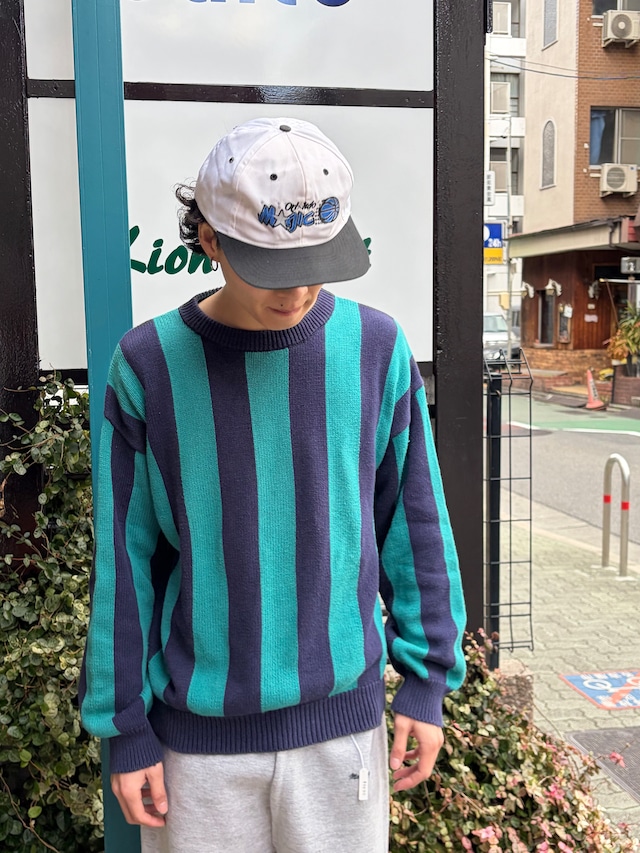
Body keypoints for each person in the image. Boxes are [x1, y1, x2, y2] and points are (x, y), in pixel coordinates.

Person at [79, 116, 466, 853]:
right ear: (210, 240)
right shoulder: (148, 365)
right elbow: (124, 561)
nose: (298, 289)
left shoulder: (377, 348)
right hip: (196, 751)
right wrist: (123, 726)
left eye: (316, 261)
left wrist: (427, 680)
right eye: (270, 266)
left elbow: (416, 524)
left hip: (343, 735)